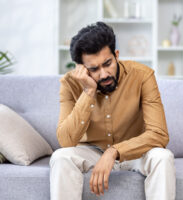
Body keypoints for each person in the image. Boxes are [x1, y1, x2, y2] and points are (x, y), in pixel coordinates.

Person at [49, 21, 176, 200]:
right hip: (92, 152)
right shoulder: (69, 84)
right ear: (82, 68)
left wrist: (114, 151)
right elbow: (66, 141)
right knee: (61, 157)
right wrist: (88, 92)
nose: (103, 74)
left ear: (116, 55)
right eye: (94, 69)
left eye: (107, 63)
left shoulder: (143, 76)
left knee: (163, 157)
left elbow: (159, 134)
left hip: (135, 152)